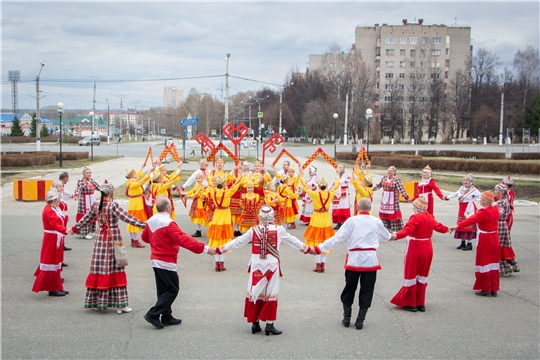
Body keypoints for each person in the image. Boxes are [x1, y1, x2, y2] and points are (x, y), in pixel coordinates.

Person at [215, 205, 313, 335]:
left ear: (260, 217)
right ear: (272, 217)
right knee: (271, 293)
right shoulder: (279, 230)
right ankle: (269, 324)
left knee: (255, 291)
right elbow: (293, 241)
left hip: (256, 266)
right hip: (272, 266)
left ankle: (255, 323)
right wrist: (307, 249)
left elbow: (238, 242)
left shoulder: (253, 230)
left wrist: (220, 249)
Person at [312, 198, 392, 330]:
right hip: (370, 260)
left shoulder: (352, 221)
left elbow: (338, 238)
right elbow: (386, 237)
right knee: (367, 289)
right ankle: (360, 320)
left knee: (349, 287)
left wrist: (320, 248)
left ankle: (347, 317)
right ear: (370, 208)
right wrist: (394, 236)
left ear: (357, 207)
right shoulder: (376, 221)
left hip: (354, 259)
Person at [141, 196, 216, 329]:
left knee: (163, 289)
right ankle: (153, 313)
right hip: (166, 260)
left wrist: (158, 240)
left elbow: (145, 237)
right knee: (172, 289)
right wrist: (205, 248)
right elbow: (184, 240)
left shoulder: (151, 220)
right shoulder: (169, 224)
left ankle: (166, 316)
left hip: (155, 259)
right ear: (168, 208)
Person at [71, 180, 146, 312]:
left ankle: (98, 302)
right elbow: (127, 217)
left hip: (101, 238)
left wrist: (74, 228)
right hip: (113, 237)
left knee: (100, 267)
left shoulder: (96, 205)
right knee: (116, 266)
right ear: (111, 192)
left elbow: (85, 219)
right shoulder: (113, 205)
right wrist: (145, 225)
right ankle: (120, 304)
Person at [389, 198, 450, 312]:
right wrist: (448, 229)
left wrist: (395, 236)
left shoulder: (415, 218)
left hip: (415, 247)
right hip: (427, 247)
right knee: (422, 275)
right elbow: (439, 227)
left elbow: (407, 230)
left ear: (417, 208)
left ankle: (411, 302)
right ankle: (420, 302)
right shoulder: (430, 216)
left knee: (411, 274)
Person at [450, 191, 501, 297]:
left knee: (484, 262)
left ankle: (486, 288)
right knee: (493, 262)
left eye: (481, 199)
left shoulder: (484, 212)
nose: (480, 201)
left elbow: (471, 220)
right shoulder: (495, 209)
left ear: (485, 201)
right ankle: (493, 287)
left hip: (485, 238)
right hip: (494, 237)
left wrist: (457, 226)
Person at [298, 172, 340, 273]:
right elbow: (336, 187)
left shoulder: (315, 194)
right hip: (325, 218)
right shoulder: (330, 193)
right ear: (326, 186)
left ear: (319, 186)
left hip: (316, 217)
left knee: (316, 241)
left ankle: (318, 265)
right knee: (325, 241)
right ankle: (323, 265)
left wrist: (301, 176)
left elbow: (305, 188)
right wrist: (337, 177)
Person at [32, 188, 69, 297]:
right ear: (53, 200)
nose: (59, 201)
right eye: (57, 199)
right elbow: (54, 225)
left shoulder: (54, 208)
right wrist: (66, 230)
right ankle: (52, 288)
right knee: (51, 262)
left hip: (56, 237)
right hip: (51, 238)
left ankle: (56, 286)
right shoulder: (49, 210)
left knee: (56, 262)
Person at [205, 173, 243, 271]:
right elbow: (236, 185)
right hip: (225, 214)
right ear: (224, 184)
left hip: (217, 214)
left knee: (216, 240)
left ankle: (217, 264)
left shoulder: (213, 191)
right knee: (224, 240)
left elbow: (209, 183)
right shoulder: (227, 193)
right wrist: (240, 176)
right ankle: (221, 264)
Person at [443, 174, 481, 251]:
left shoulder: (473, 190)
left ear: (470, 181)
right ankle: (462, 242)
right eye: (464, 180)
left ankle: (469, 243)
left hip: (469, 208)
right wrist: (447, 197)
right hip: (462, 208)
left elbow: (480, 196)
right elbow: (455, 194)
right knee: (461, 224)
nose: (465, 182)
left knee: (468, 225)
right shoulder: (461, 188)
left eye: (467, 180)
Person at [372, 166, 411, 232]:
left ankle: (394, 228)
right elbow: (378, 185)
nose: (389, 172)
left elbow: (401, 189)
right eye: (388, 171)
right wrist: (369, 190)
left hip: (393, 199)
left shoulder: (397, 180)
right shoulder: (384, 178)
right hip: (385, 198)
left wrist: (406, 197)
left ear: (394, 173)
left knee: (393, 214)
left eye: (391, 171)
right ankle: (385, 228)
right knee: (384, 212)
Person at [125, 164, 155, 248]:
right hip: (136, 204)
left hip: (136, 202)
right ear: (131, 175)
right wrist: (149, 171)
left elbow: (138, 175)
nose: (136, 174)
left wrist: (142, 167)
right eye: (134, 173)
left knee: (133, 221)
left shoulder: (132, 181)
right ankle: (135, 240)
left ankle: (133, 240)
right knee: (135, 221)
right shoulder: (132, 183)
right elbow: (142, 181)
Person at [494, 183, 520, 276]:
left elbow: (499, 213)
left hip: (500, 224)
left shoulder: (501, 202)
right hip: (501, 224)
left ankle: (504, 266)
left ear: (501, 192)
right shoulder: (503, 200)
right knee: (502, 243)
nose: (494, 192)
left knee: (499, 244)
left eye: (496, 190)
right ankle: (505, 265)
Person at [74, 167, 100, 239]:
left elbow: (98, 186)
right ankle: (84, 232)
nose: (89, 174)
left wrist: (105, 190)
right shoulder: (81, 181)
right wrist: (76, 195)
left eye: (90, 173)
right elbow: (78, 189)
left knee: (91, 214)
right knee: (85, 215)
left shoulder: (91, 180)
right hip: (84, 200)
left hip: (91, 198)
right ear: (84, 174)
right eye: (87, 173)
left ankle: (88, 230)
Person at [50, 180, 69, 268]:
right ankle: (57, 262)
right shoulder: (54, 199)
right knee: (57, 246)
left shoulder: (59, 196)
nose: (62, 188)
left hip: (62, 221)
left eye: (62, 186)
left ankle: (60, 261)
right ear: (55, 188)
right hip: (58, 226)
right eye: (60, 187)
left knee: (61, 244)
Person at [332, 164, 352, 230]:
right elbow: (333, 183)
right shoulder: (337, 176)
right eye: (338, 168)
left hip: (343, 194)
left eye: (340, 168)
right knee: (337, 207)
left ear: (343, 169)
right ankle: (338, 222)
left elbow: (352, 181)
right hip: (337, 193)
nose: (339, 169)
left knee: (343, 207)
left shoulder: (346, 175)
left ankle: (344, 223)